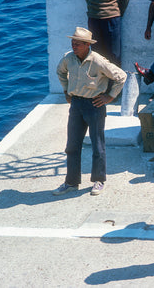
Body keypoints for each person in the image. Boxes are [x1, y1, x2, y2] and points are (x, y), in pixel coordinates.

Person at [54, 27, 127, 196]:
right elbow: (60, 72)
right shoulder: (68, 58)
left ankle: (98, 180)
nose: (74, 46)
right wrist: (66, 90)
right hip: (76, 105)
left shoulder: (98, 61)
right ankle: (71, 182)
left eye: (78, 44)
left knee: (97, 145)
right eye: (73, 43)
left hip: (95, 106)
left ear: (87, 45)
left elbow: (121, 76)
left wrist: (109, 97)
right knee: (72, 146)